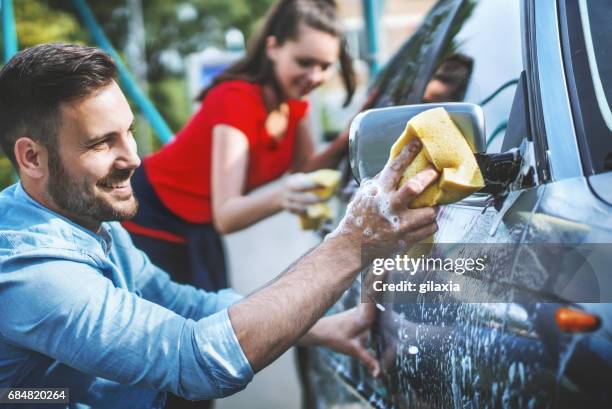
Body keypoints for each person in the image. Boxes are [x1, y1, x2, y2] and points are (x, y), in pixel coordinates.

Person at [0, 44, 439, 409]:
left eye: (129, 132)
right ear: (32, 157)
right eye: (101, 142)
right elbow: (194, 362)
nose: (133, 157)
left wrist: (324, 328)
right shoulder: (35, 275)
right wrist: (353, 242)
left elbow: (183, 305)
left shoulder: (82, 218)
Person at [122, 0, 360, 293]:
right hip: (152, 213)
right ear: (273, 48)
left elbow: (304, 170)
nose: (314, 77)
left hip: (199, 222)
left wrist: (345, 139)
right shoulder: (235, 99)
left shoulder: (295, 104)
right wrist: (284, 195)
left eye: (324, 66)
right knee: (189, 320)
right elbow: (227, 215)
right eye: (304, 62)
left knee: (214, 311)